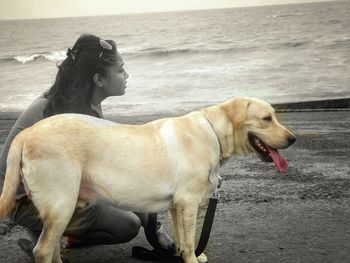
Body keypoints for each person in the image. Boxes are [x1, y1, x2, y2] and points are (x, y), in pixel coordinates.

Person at [0, 34, 175, 260]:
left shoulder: (77, 102)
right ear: (98, 80)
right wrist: (154, 230)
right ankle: (47, 238)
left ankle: (52, 235)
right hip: (21, 199)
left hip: (32, 188)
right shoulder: (72, 116)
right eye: (120, 70)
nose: (126, 75)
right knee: (128, 225)